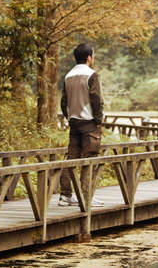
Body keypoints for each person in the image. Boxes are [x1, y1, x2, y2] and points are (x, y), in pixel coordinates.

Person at [59, 43, 104, 207]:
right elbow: (97, 100)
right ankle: (86, 196)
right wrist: (98, 121)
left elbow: (63, 102)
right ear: (89, 57)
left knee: (71, 159)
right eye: (93, 54)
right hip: (89, 122)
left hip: (74, 123)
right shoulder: (91, 75)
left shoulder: (68, 76)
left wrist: (70, 117)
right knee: (90, 158)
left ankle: (65, 195)